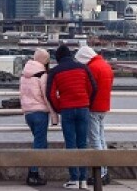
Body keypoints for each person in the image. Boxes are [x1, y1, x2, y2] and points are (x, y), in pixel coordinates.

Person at [46, 45, 96, 189]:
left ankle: (74, 179)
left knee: (71, 144)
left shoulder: (54, 72)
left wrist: (58, 108)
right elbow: (93, 87)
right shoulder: (83, 68)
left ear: (58, 58)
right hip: (83, 108)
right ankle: (83, 180)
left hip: (67, 109)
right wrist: (87, 103)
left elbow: (50, 94)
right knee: (83, 143)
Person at [19, 48, 59, 187]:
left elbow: (22, 95)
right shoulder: (42, 75)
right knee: (39, 144)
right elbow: (46, 97)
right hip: (40, 113)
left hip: (28, 113)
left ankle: (36, 172)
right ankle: (33, 174)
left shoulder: (24, 74)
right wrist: (54, 116)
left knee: (40, 142)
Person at [75, 45, 114, 186]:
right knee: (102, 138)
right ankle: (105, 169)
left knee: (94, 139)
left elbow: (87, 88)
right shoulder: (105, 66)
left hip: (93, 107)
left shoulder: (91, 68)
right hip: (104, 106)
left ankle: (101, 173)